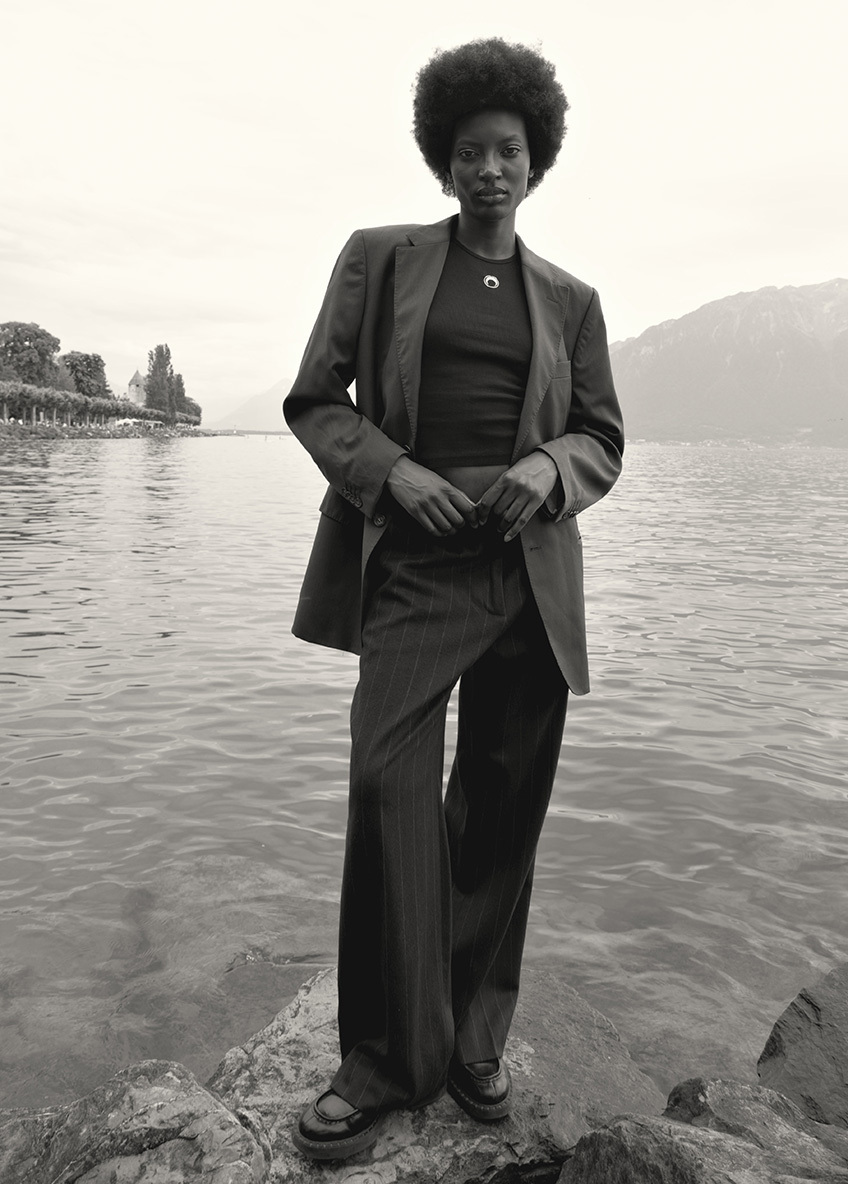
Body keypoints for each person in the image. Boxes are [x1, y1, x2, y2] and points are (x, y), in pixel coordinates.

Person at [283, 37, 624, 1160]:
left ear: (536, 160)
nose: (489, 168)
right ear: (443, 158)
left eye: (509, 150)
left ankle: (473, 1034)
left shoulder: (571, 301)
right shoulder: (381, 259)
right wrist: (395, 474)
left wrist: (550, 468)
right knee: (387, 789)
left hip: (527, 570)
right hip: (415, 566)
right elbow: (315, 399)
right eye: (470, 150)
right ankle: (385, 1059)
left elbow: (602, 438)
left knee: (501, 803)